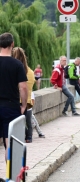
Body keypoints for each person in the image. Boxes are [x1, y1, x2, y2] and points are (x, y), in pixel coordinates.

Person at [0, 33, 28, 161]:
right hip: (10, 107)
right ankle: (10, 178)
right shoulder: (17, 64)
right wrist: (23, 105)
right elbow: (23, 87)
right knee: (9, 144)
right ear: (12, 44)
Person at [12, 47, 35, 143]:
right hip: (28, 100)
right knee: (27, 121)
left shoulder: (14, 69)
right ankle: (29, 137)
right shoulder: (30, 72)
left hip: (17, 100)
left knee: (16, 122)